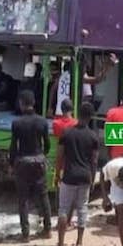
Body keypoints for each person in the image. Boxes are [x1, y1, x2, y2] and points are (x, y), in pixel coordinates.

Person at [54, 102, 99, 246]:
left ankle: (60, 245)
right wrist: (92, 178)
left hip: (69, 176)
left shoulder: (66, 133)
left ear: (78, 114)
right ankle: (79, 243)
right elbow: (94, 161)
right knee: (82, 209)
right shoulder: (93, 136)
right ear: (91, 117)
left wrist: (56, 174)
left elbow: (60, 156)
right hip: (85, 176)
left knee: (63, 209)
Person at [9, 90, 51, 242]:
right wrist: (42, 156)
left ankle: (25, 234)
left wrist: (11, 163)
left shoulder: (17, 123)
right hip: (39, 163)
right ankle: (47, 230)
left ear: (21, 103)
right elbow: (47, 145)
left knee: (23, 199)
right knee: (43, 196)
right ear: (33, 103)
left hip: (23, 164)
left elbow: (13, 147)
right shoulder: (42, 122)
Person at [52, 98, 78, 229]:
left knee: (60, 195)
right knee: (73, 195)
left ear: (61, 110)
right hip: (74, 162)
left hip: (61, 162)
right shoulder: (76, 123)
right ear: (72, 109)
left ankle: (60, 220)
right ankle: (68, 221)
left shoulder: (56, 124)